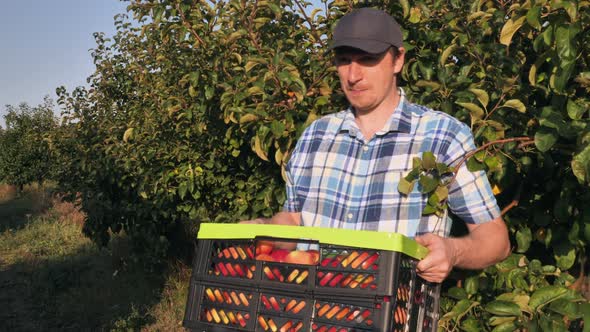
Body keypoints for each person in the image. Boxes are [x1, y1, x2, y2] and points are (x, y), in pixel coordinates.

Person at [244, 8, 510, 283]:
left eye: (368, 59)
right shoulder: (315, 136)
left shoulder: (443, 136)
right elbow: (295, 221)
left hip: (392, 314)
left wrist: (452, 251)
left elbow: (495, 240)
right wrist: (266, 229)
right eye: (344, 60)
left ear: (398, 60)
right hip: (312, 313)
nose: (353, 75)